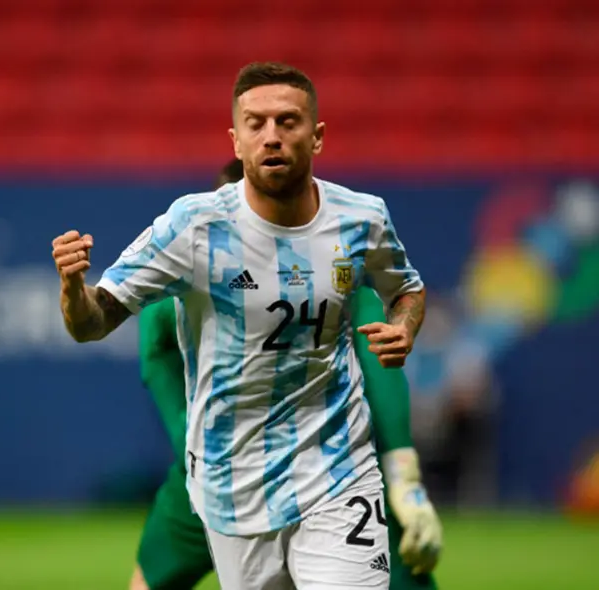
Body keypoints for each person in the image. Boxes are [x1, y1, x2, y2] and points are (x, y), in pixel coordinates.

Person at [51, 62, 426, 589]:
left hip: (339, 467)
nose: (271, 135)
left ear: (317, 137)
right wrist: (72, 291)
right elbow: (93, 322)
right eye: (256, 123)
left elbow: (406, 287)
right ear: (235, 139)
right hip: (233, 483)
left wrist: (405, 326)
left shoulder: (362, 218)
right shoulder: (193, 227)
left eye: (287, 121)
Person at [130, 159, 442, 590]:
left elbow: (155, 353)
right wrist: (404, 479)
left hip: (314, 467)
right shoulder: (192, 261)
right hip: (292, 465)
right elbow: (155, 350)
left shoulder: (196, 266)